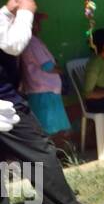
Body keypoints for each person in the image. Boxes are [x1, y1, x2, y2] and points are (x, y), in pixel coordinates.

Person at [0, 0, 104, 204]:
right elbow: (12, 45)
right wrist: (25, 13)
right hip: (6, 105)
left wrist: (7, 11)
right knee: (39, 151)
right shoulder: (28, 34)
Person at [20, 11, 74, 143]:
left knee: (45, 130)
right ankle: (47, 153)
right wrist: (60, 71)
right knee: (45, 130)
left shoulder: (30, 41)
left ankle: (49, 152)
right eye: (37, 22)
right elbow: (47, 66)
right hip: (43, 91)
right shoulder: (32, 42)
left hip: (42, 90)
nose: (39, 25)